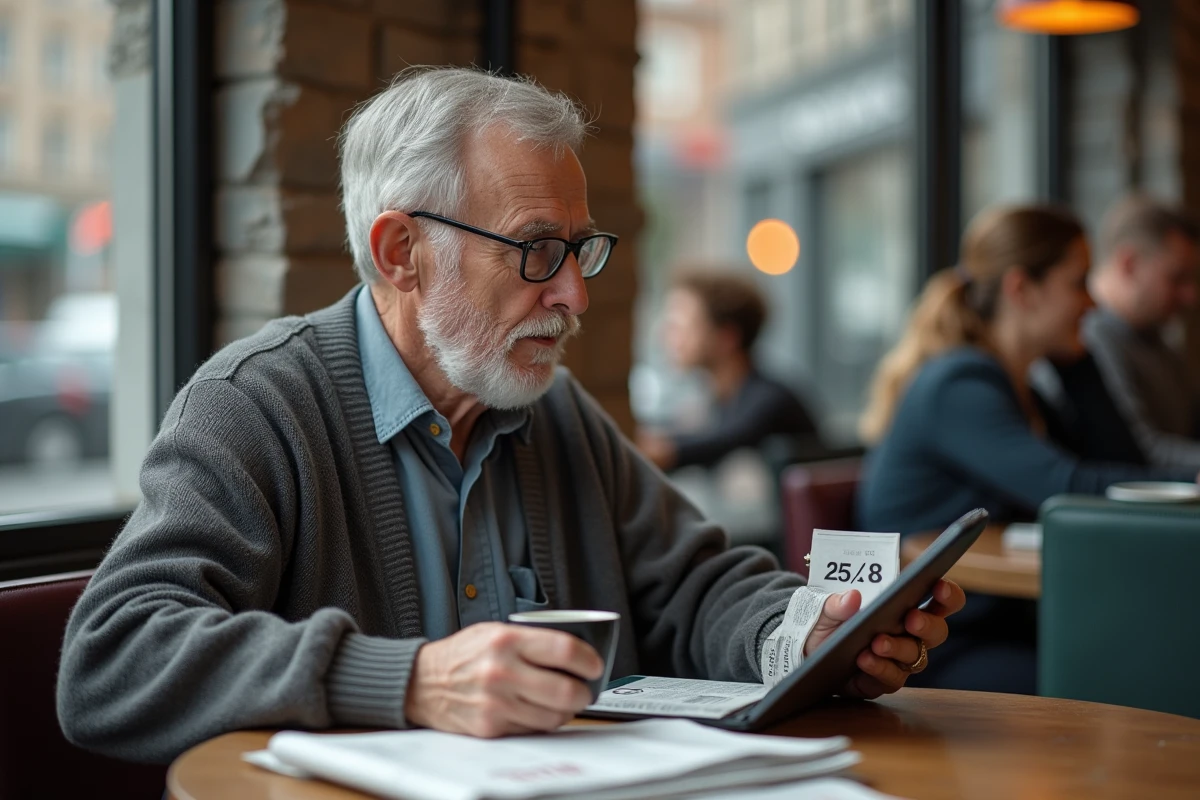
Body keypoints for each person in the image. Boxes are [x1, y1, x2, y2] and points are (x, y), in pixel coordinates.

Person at [56, 67, 964, 764]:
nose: (572, 295)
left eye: (580, 252)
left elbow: (694, 586)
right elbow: (111, 658)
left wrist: (810, 631)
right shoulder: (256, 406)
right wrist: (409, 680)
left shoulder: (553, 410)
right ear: (402, 250)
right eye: (536, 250)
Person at [856, 205, 1195, 694]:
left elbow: (1120, 466)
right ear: (1022, 289)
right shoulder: (959, 384)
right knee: (1144, 678)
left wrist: (1079, 366)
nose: (1092, 304)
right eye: (1078, 283)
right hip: (933, 647)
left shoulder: (1021, 390)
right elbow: (1067, 488)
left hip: (999, 625)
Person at [636, 269, 821, 471]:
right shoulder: (718, 401)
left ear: (727, 337)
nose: (667, 337)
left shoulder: (770, 400)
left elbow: (723, 441)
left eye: (682, 327)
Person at [1085, 195, 1200, 469]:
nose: (1191, 296)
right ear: (1130, 264)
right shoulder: (1089, 338)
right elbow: (1140, 450)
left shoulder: (1157, 338)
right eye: (1177, 278)